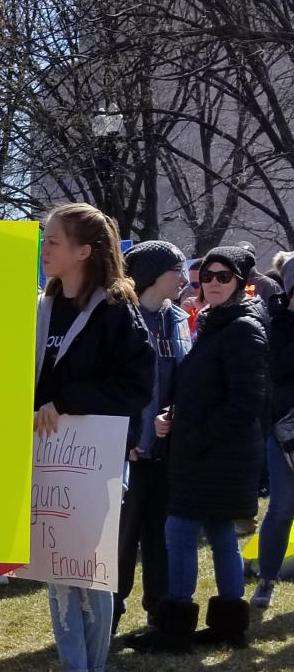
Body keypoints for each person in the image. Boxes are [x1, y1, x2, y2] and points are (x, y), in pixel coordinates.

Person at [33, 203, 154, 672]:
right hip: (45, 456)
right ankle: (74, 665)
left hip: (96, 460)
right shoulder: (42, 307)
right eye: (45, 239)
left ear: (84, 251)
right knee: (56, 570)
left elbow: (135, 387)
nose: (44, 249)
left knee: (89, 573)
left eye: (53, 241)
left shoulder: (117, 311)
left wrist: (65, 403)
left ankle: (93, 665)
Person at [131, 246, 269, 653]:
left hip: (214, 454)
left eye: (223, 276)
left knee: (180, 530)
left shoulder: (243, 327)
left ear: (242, 283)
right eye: (206, 275)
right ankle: (228, 625)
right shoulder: (215, 321)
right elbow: (204, 387)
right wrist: (175, 413)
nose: (211, 282)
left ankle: (175, 628)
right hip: (208, 449)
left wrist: (195, 435)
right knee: (221, 533)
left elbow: (246, 402)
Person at [113, 241, 192, 633]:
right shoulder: (120, 317)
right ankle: (110, 610)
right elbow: (112, 383)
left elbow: (185, 380)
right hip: (124, 451)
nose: (185, 277)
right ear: (152, 275)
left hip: (166, 452)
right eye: (177, 268)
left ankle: (158, 612)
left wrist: (173, 413)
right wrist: (123, 435)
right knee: (121, 538)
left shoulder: (178, 318)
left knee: (160, 537)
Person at [251, 253, 294, 608]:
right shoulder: (273, 321)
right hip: (283, 431)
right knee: (281, 508)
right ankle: (266, 578)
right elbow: (277, 371)